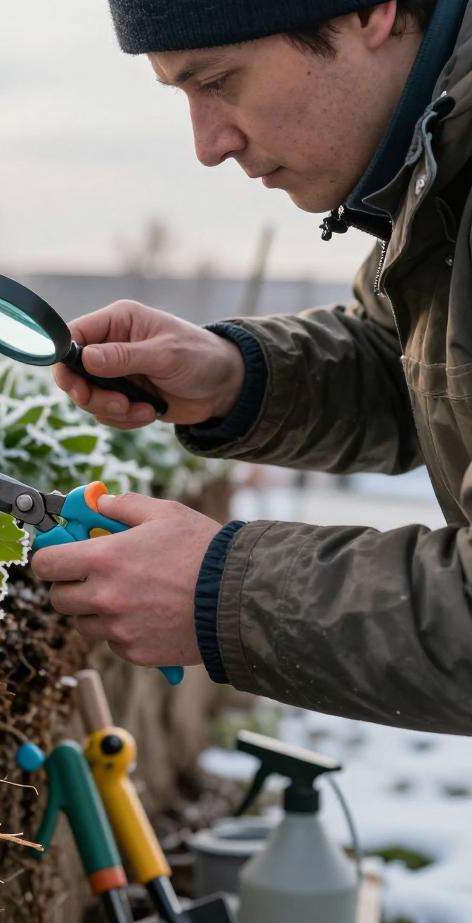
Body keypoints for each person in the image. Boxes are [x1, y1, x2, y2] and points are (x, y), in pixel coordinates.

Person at [31, 0, 472, 734]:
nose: (209, 145)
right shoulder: (442, 169)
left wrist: (220, 594)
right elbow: (423, 371)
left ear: (373, 11)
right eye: (183, 95)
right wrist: (239, 378)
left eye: (221, 81)